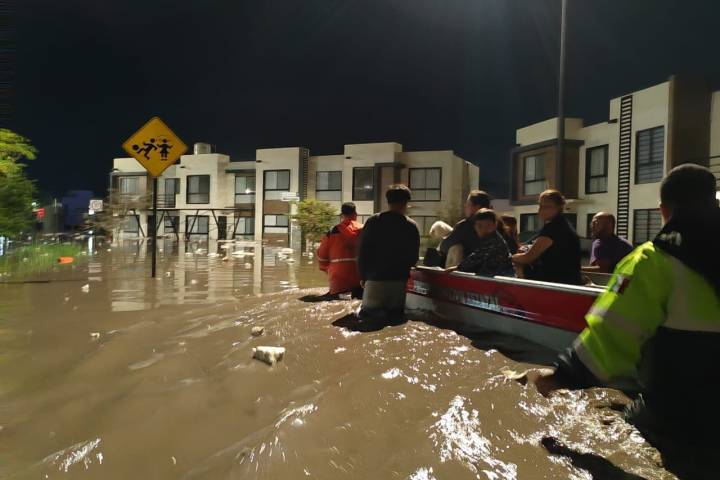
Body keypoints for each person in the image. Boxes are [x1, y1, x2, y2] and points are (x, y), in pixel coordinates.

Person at [528, 164, 720, 480]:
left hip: (681, 415)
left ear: (663, 211)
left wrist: (562, 375)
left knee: (625, 433)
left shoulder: (654, 260)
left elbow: (613, 334)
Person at [357, 185, 420, 321]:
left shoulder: (373, 221)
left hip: (375, 281)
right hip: (398, 282)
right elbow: (413, 258)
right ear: (406, 203)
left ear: (388, 201)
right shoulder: (411, 226)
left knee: (368, 319)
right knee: (395, 318)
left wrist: (363, 276)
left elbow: (363, 251)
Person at [511, 189, 582, 285]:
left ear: (559, 207)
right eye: (540, 206)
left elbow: (528, 257)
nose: (540, 210)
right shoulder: (563, 224)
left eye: (546, 206)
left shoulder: (554, 228)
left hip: (557, 282)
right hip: (568, 280)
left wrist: (511, 258)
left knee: (518, 264)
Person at [447, 209, 514, 277]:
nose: (483, 229)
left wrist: (456, 268)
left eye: (488, 226)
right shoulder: (486, 239)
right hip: (494, 277)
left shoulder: (493, 240)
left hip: (503, 278)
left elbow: (476, 257)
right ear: (475, 227)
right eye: (479, 226)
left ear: (495, 225)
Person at [317, 202, 363, 299]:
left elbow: (322, 256)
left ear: (342, 215)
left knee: (336, 299)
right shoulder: (364, 229)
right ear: (355, 214)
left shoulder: (332, 232)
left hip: (338, 280)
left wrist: (327, 269)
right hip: (360, 277)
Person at [439, 190, 492, 267]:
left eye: (468, 204)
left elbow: (444, 247)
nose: (465, 206)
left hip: (470, 270)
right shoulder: (497, 223)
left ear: (477, 207)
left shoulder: (465, 226)